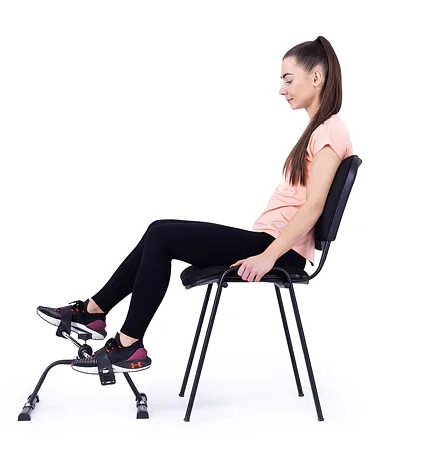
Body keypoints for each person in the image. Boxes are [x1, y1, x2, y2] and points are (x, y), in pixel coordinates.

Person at [36, 36, 353, 374]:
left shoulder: (331, 131)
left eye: (288, 80)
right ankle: (95, 312)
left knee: (163, 236)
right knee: (159, 229)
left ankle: (125, 342)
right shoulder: (319, 130)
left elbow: (314, 206)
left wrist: (268, 256)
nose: (281, 89)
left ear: (315, 77)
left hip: (278, 250)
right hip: (271, 243)